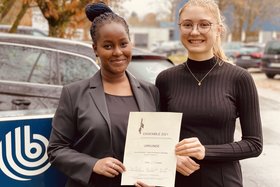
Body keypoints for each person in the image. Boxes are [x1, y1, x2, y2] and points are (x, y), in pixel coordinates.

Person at [47, 2, 159, 187]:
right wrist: (93, 164)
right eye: (108, 46)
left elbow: (156, 146)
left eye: (123, 44)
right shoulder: (74, 93)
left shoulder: (150, 92)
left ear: (131, 43)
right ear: (95, 49)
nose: (118, 52)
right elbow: (56, 150)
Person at [155, 0, 263, 186]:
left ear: (218, 29)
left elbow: (254, 144)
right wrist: (169, 156)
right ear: (180, 28)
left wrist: (206, 151)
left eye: (204, 24)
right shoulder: (165, 79)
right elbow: (156, 137)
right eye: (187, 24)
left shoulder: (239, 78)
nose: (195, 31)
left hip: (223, 181)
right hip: (176, 181)